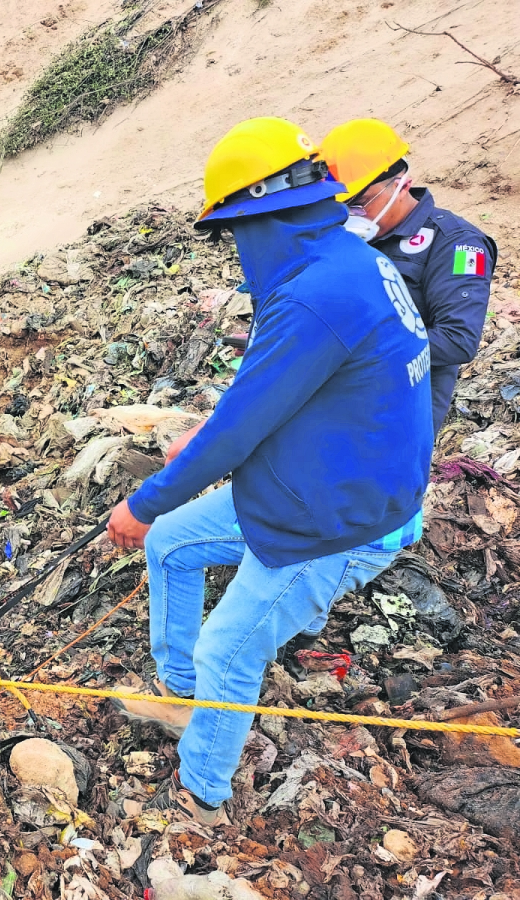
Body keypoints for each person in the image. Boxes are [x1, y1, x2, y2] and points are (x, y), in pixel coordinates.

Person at [105, 117, 433, 825]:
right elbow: (269, 397)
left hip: (343, 518)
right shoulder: (341, 261)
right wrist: (198, 443)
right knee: (173, 547)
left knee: (229, 644)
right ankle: (186, 696)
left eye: (232, 234)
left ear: (261, 221)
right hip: (311, 482)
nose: (235, 252)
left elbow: (237, 432)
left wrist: (146, 501)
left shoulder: (319, 294)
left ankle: (201, 798)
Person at [320, 119, 498, 431]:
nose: (351, 216)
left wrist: (354, 351)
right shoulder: (342, 238)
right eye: (340, 206)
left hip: (402, 414)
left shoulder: (457, 244)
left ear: (400, 184)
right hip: (339, 402)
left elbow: (458, 340)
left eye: (359, 204)